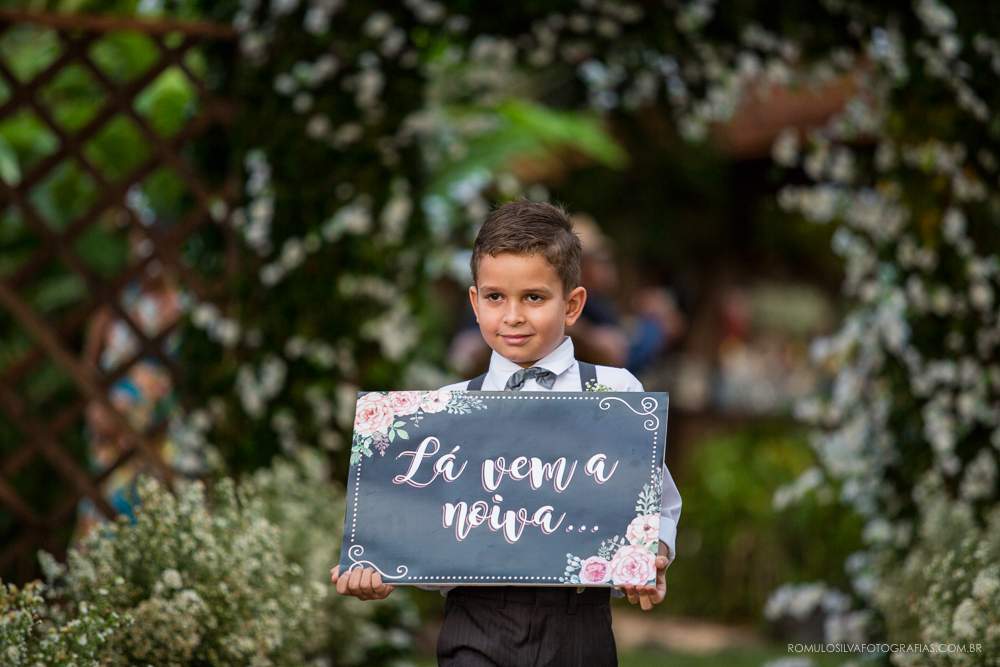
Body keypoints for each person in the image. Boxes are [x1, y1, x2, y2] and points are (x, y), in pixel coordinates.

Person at [331, 199, 682, 667]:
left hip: (578, 628)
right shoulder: (448, 409)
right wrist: (378, 562)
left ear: (573, 304)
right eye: (496, 297)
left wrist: (648, 557)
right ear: (475, 303)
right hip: (476, 626)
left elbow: (656, 504)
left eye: (534, 297)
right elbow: (434, 528)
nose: (513, 316)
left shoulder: (616, 394)